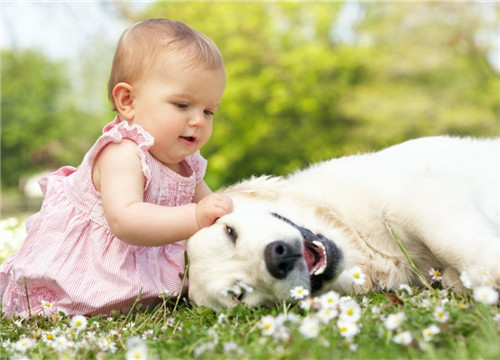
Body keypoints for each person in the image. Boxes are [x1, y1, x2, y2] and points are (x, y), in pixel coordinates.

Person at [0, 18, 233, 317]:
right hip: (85, 272)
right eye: (182, 105)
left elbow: (213, 209)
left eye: (209, 110)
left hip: (136, 275)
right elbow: (126, 220)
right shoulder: (121, 151)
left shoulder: (186, 165)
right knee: (68, 304)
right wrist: (197, 216)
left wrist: (226, 216)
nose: (199, 120)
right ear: (128, 101)